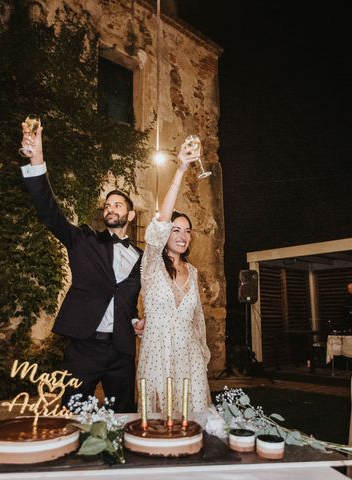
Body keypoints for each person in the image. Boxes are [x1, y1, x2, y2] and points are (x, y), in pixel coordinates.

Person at [20, 120, 143, 412]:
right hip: (85, 345)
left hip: (123, 350)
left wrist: (136, 320)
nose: (110, 208)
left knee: (123, 415)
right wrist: (36, 160)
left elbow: (124, 295)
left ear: (131, 214)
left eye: (117, 204)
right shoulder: (83, 241)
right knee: (74, 414)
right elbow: (49, 212)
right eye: (107, 205)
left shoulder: (141, 256)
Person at [136, 140, 211, 414]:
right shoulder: (152, 264)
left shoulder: (193, 272)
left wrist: (201, 357)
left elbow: (198, 321)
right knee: (157, 425)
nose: (182, 236)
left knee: (193, 427)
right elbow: (158, 226)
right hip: (158, 356)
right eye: (176, 229)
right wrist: (181, 169)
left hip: (189, 358)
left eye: (187, 231)